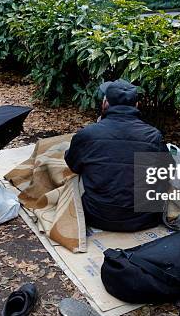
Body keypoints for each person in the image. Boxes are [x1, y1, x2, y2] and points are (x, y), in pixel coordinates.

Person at [64, 79, 170, 232]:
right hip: (144, 218)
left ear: (105, 104)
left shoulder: (88, 134)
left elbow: (72, 164)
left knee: (77, 176)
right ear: (136, 105)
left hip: (97, 216)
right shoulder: (153, 136)